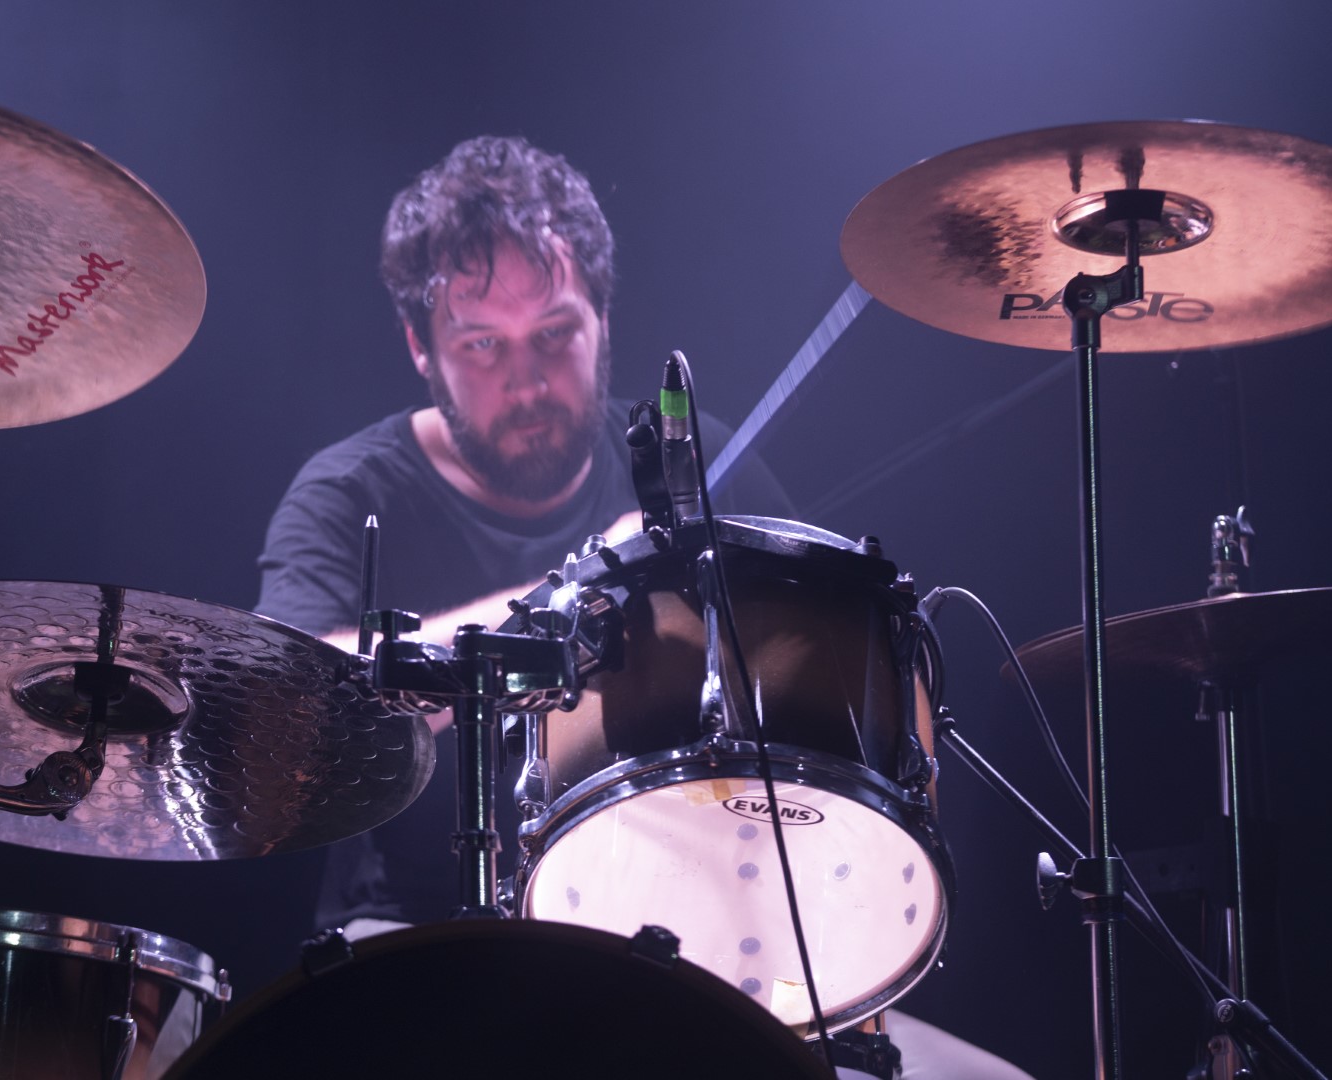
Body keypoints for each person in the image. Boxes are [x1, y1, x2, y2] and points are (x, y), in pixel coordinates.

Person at [255, 135, 1031, 1080]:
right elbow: (292, 698)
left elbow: (812, 704)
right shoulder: (348, 493)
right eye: (482, 346)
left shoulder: (697, 465)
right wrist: (573, 592)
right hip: (418, 945)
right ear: (421, 347)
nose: (527, 380)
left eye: (556, 333)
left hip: (696, 947)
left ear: (603, 319)